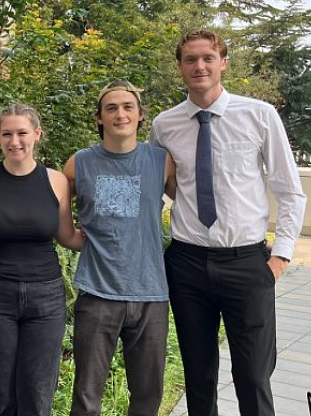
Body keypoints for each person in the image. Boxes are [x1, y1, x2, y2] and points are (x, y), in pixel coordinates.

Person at [149, 29, 306, 416]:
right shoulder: (164, 125)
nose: (199, 66)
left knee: (253, 375)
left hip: (247, 264)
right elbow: (155, 188)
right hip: (187, 264)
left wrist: (279, 259)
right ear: (180, 67)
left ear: (223, 62)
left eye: (207, 58)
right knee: (198, 376)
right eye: (190, 59)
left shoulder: (259, 115)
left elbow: (290, 192)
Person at [0, 103, 82, 416]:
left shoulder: (56, 182)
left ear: (37, 134)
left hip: (46, 298)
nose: (15, 141)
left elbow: (68, 236)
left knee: (38, 393)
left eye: (22, 132)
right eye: (7, 133)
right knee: (1, 390)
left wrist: (110, 237)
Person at [62, 80, 177, 416]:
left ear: (141, 116)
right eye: (111, 108)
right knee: (86, 397)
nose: (120, 114)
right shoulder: (79, 163)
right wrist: (70, 238)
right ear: (99, 118)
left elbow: (193, 206)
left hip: (151, 294)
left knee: (147, 396)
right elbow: (48, 211)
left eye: (128, 107)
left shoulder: (161, 161)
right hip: (97, 294)